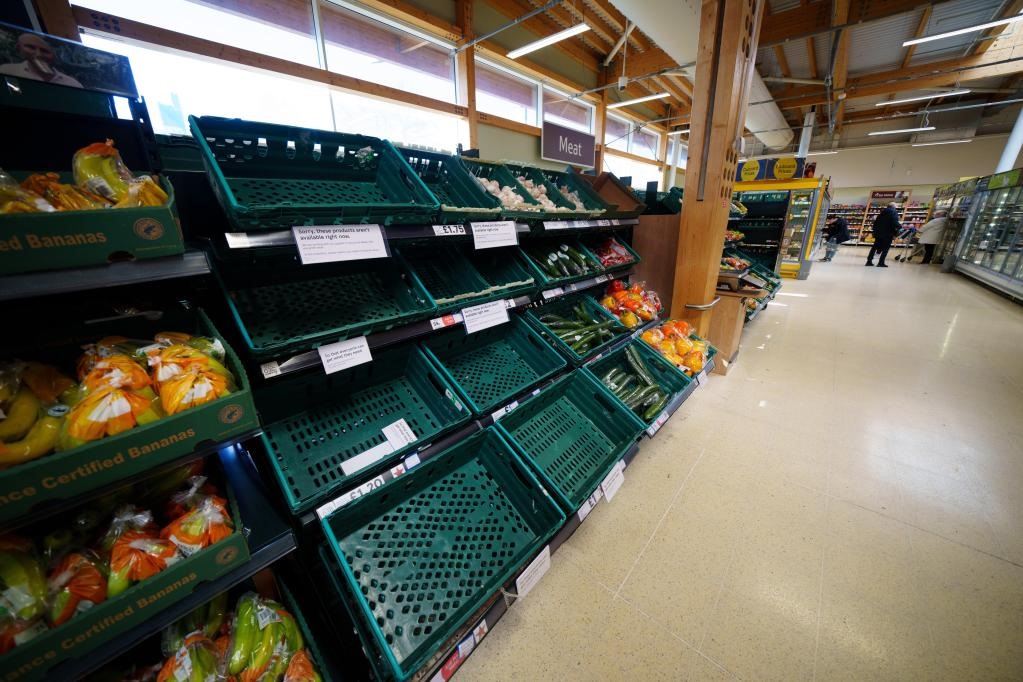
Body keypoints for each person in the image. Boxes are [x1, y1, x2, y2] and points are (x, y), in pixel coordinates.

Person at [0, 33, 83, 88]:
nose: (38, 54)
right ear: (19, 48)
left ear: (54, 55)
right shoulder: (7, 70)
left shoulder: (72, 84)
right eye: (31, 47)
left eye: (45, 51)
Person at [866, 202, 900, 267]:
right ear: (894, 207)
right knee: (885, 249)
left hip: (878, 233)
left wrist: (875, 232)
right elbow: (894, 222)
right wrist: (900, 226)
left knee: (874, 247)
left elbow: (875, 223)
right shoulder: (893, 212)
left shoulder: (882, 212)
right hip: (888, 233)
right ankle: (881, 263)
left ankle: (869, 261)